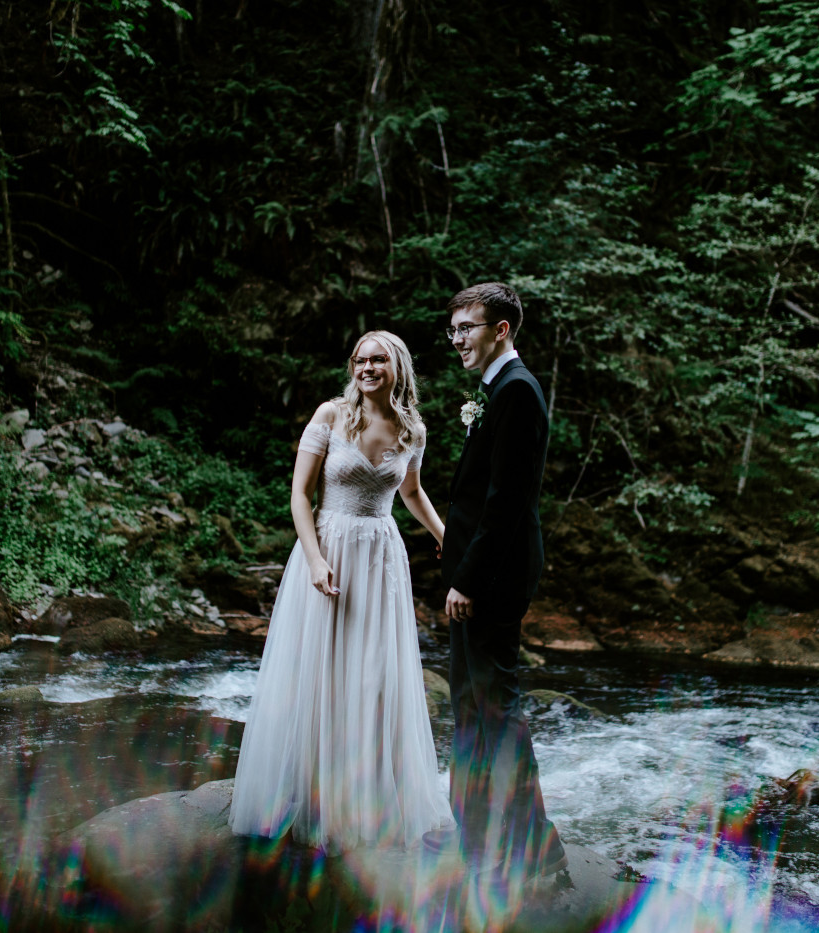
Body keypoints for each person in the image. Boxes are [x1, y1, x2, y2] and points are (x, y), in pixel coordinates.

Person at [229, 330, 454, 851]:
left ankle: (366, 796)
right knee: (320, 669)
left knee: (374, 675)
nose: (367, 367)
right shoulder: (331, 415)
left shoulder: (412, 429)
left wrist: (447, 537)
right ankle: (307, 793)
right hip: (328, 549)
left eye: (378, 359)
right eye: (360, 359)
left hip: (381, 557)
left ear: (397, 367)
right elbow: (299, 494)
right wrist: (314, 559)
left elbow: (413, 492)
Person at [430, 282, 567, 880]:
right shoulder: (496, 390)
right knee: (472, 705)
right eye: (454, 329)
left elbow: (507, 501)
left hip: (491, 580)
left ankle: (533, 849)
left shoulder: (517, 392)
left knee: (495, 710)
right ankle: (480, 837)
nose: (457, 339)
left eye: (467, 328)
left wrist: (468, 580)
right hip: (477, 575)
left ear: (501, 330)